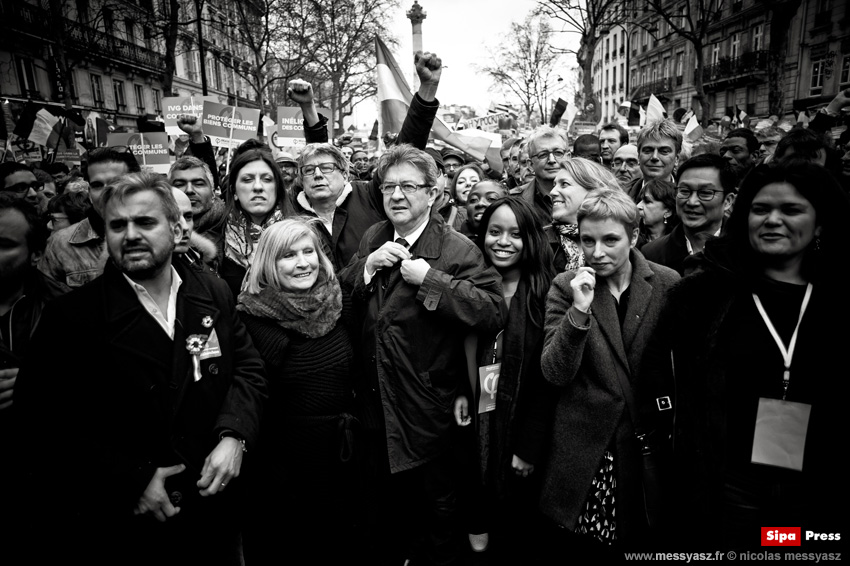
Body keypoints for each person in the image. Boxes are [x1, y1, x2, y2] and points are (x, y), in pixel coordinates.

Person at [13, 172, 268, 565]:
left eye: (145, 222)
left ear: (176, 226)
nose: (130, 235)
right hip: (127, 529)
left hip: (211, 515)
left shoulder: (212, 292)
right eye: (118, 225)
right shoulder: (71, 317)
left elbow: (248, 367)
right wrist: (131, 479)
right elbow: (41, 422)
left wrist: (235, 435)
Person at [649, 162, 850, 549]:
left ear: (820, 223)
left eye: (791, 210)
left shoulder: (840, 302)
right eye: (761, 210)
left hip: (811, 490)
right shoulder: (703, 298)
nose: (773, 220)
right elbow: (664, 377)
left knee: (789, 553)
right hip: (728, 487)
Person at [338, 144, 504, 565]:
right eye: (389, 186)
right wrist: (367, 268)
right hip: (375, 403)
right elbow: (341, 297)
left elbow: (492, 310)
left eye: (409, 186)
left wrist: (431, 280)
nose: (396, 196)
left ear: (433, 194)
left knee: (436, 509)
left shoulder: (457, 249)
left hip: (427, 407)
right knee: (389, 508)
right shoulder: (375, 235)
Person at [538, 188, 679, 558]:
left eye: (610, 240)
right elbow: (554, 372)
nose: (597, 252)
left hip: (648, 442)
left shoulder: (666, 284)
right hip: (589, 451)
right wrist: (579, 313)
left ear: (633, 236)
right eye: (588, 240)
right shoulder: (565, 288)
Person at [237, 218, 359, 563]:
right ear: (268, 263)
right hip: (285, 470)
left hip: (344, 457)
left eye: (309, 252)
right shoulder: (251, 319)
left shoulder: (339, 302)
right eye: (288, 255)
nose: (303, 262)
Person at [454, 197, 557, 559]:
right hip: (479, 417)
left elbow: (549, 381)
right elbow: (455, 349)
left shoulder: (545, 295)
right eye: (494, 232)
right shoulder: (470, 287)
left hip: (523, 434)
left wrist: (528, 446)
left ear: (530, 239)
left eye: (515, 234)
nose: (503, 241)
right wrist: (462, 392)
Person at [288, 51, 444, 271]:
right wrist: (308, 108)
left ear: (345, 173)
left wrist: (427, 89)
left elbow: (405, 149)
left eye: (326, 168)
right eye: (309, 170)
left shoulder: (370, 196)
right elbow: (317, 154)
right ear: (301, 178)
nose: (317, 174)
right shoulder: (291, 210)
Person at [39, 146, 139, 287]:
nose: (106, 192)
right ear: (89, 192)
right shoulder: (61, 245)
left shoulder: (155, 235)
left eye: (115, 183)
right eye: (97, 185)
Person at [221, 143, 296, 298]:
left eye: (267, 179)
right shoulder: (216, 237)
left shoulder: (301, 234)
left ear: (277, 188)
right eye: (247, 180)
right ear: (234, 191)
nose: (257, 187)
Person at [641, 153, 736, 276]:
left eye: (705, 193)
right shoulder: (652, 254)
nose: (692, 202)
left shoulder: (747, 250)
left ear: (728, 201)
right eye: (684, 191)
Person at [546, 157, 620, 272]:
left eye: (564, 184)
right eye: (554, 185)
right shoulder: (539, 240)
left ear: (593, 191)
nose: (552, 192)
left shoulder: (622, 237)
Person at [169, 156, 227, 260]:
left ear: (213, 193)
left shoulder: (231, 231)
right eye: (179, 184)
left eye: (199, 184)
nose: (189, 190)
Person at [510, 126, 569, 227]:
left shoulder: (587, 196)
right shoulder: (514, 201)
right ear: (530, 164)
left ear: (568, 157)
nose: (551, 160)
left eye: (558, 153)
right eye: (543, 155)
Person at [625, 119, 683, 202]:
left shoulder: (687, 197)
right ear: (638, 156)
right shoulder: (620, 196)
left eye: (664, 151)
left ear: (676, 158)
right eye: (648, 151)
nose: (654, 157)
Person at [636, 179, 679, 248]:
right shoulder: (633, 239)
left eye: (647, 201)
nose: (638, 206)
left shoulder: (679, 243)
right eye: (640, 201)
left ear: (668, 211)